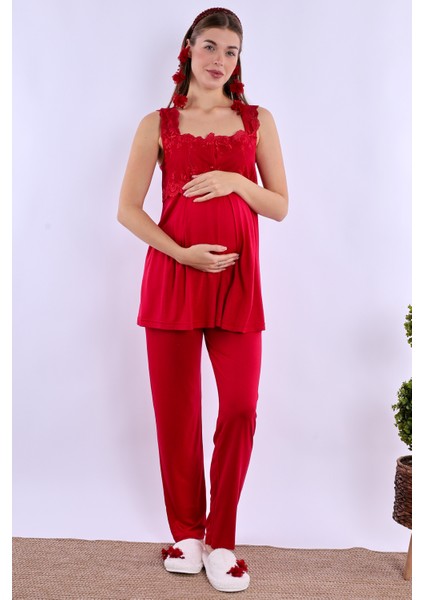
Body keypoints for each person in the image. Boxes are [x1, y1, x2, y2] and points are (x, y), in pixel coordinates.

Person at [117, 7, 288, 593]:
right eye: (210, 46)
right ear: (189, 48)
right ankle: (187, 535)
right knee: (177, 415)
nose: (219, 60)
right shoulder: (157, 124)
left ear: (240, 60)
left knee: (239, 407)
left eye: (231, 51)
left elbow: (279, 205)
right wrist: (182, 254)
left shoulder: (256, 121)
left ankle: (222, 538)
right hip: (172, 279)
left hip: (238, 286)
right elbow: (128, 210)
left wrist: (238, 181)